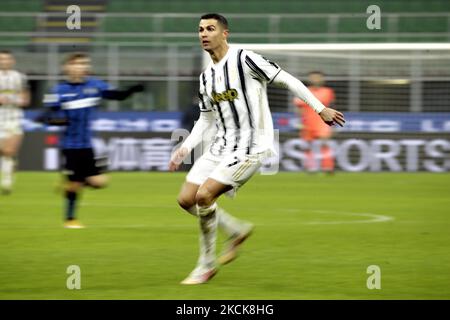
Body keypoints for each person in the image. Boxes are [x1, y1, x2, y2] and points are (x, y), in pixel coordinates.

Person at [168, 13, 345, 285]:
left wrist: (319, 108)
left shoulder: (245, 59)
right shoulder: (206, 78)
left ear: (224, 33)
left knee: (204, 196)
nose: (204, 33)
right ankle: (236, 230)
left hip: (252, 147)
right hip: (220, 147)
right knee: (186, 199)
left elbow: (287, 80)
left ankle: (206, 265)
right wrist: (186, 147)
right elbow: (206, 118)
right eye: (200, 29)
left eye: (210, 29)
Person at [39, 52, 143, 228]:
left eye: (84, 64)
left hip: (87, 144)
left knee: (100, 182)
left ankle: (71, 182)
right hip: (70, 145)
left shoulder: (94, 86)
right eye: (77, 63)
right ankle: (70, 219)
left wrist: (132, 89)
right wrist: (60, 120)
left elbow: (116, 95)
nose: (82, 67)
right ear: (68, 67)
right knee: (76, 184)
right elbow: (45, 117)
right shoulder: (59, 91)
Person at [0, 50, 30, 194]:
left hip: (14, 117)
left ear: (12, 61)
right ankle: (10, 167)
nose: (4, 62)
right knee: (2, 150)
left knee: (9, 150)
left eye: (7, 59)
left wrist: (15, 100)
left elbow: (25, 100)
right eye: (1, 59)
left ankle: (7, 181)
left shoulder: (19, 77)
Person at [293, 71, 336, 173]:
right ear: (310, 79)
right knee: (308, 145)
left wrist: (333, 123)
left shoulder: (328, 91)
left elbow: (332, 107)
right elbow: (299, 108)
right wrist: (301, 122)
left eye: (318, 77)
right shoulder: (303, 91)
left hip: (323, 122)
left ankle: (328, 167)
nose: (316, 79)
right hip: (308, 122)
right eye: (313, 77)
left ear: (322, 79)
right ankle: (311, 167)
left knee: (324, 144)